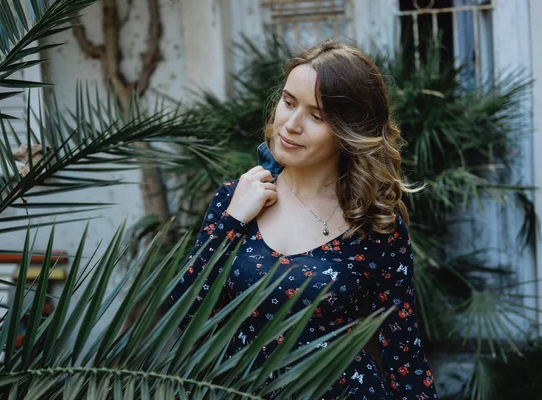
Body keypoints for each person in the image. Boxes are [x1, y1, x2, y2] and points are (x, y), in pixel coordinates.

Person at [170, 40, 438, 400]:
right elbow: (184, 315)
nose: (291, 125)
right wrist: (233, 221)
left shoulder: (375, 223)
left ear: (349, 130)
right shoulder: (237, 200)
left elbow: (403, 353)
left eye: (317, 116)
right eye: (289, 102)